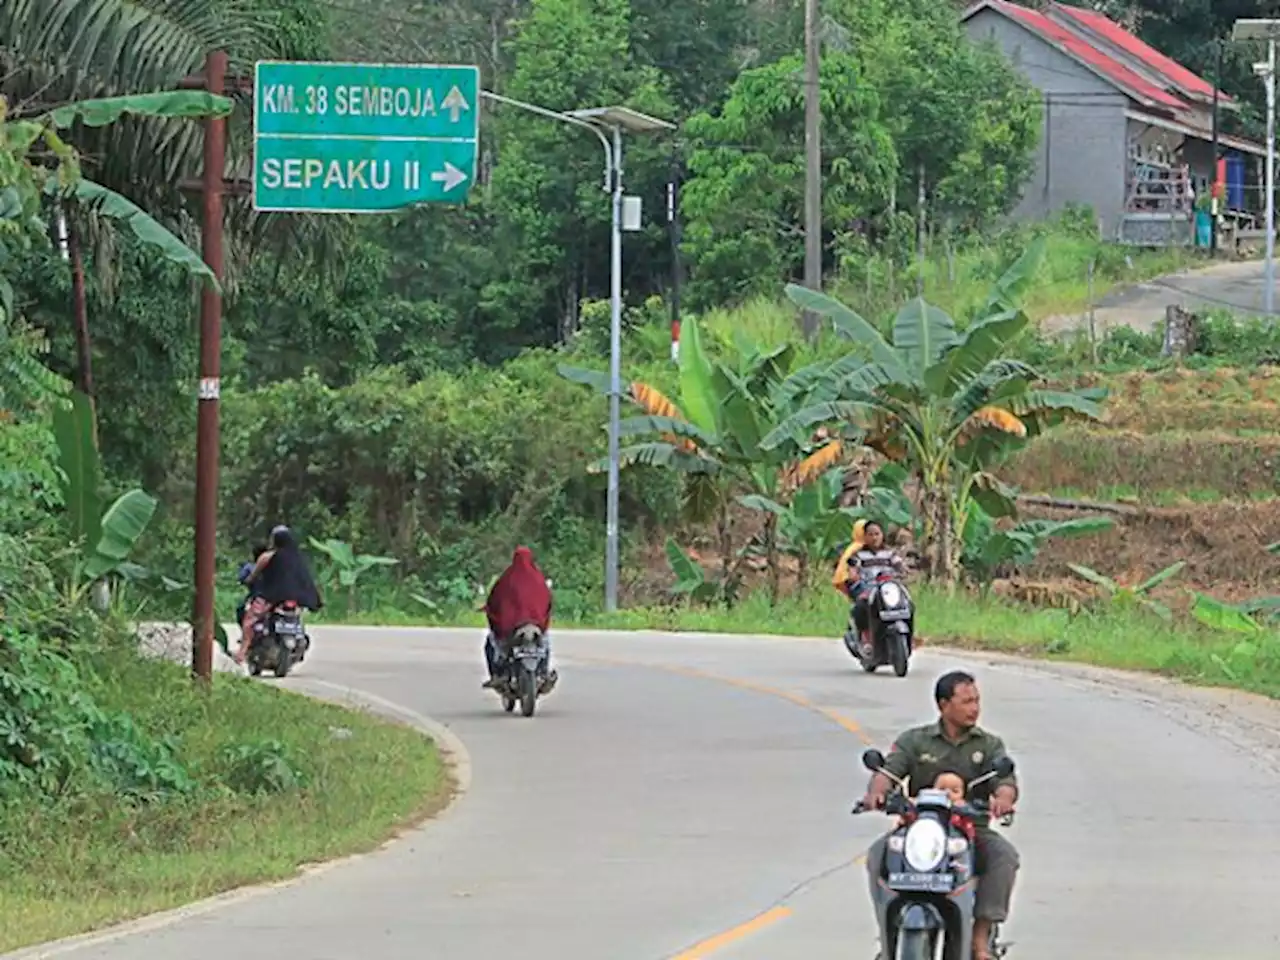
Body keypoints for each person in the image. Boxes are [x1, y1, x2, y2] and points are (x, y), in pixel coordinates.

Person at [862, 671, 1020, 960]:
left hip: (969, 831)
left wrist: (1003, 799)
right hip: (919, 830)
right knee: (877, 854)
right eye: (966, 701)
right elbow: (888, 772)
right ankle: (888, 939)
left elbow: (1005, 782)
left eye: (976, 701)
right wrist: (876, 794)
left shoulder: (987, 745)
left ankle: (981, 937)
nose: (974, 708)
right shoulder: (915, 741)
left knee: (1004, 856)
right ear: (944, 705)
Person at [236, 525, 323, 665]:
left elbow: (253, 576)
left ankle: (242, 652)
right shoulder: (299, 559)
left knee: (249, 622)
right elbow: (307, 579)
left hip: (272, 596)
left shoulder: (268, 557)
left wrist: (249, 580)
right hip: (297, 598)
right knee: (298, 619)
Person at [482, 546, 553, 689]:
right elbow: (547, 601)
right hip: (536, 625)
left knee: (491, 643)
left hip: (512, 627)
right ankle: (544, 672)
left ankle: (495, 675)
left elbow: (495, 599)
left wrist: (490, 610)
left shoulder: (508, 579)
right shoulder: (537, 578)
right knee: (545, 645)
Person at [832, 519, 907, 648]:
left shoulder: (889, 553)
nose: (874, 538)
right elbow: (852, 568)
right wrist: (853, 575)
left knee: (906, 604)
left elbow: (899, 565)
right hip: (868, 588)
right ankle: (865, 637)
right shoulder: (858, 555)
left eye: (877, 534)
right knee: (862, 606)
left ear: (882, 535)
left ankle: (909, 635)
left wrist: (903, 571)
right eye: (870, 535)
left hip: (887, 587)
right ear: (864, 537)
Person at [234, 543, 268, 628]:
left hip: (256, 596)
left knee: (241, 609)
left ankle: (245, 632)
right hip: (274, 596)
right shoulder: (275, 566)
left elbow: (242, 578)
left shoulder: (250, 567)